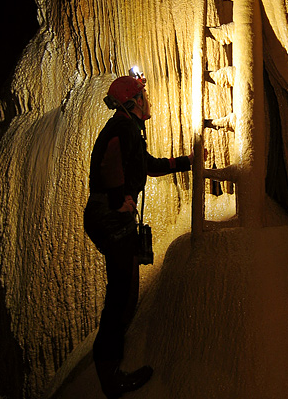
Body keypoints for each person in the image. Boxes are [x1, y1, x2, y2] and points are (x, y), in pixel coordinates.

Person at [84, 73, 193, 399]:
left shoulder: (129, 129)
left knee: (124, 291)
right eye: (143, 95)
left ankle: (109, 365)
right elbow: (110, 160)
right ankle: (109, 374)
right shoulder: (123, 128)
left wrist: (186, 162)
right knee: (121, 295)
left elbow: (149, 165)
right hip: (110, 216)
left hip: (109, 216)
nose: (149, 100)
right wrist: (120, 199)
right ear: (130, 103)